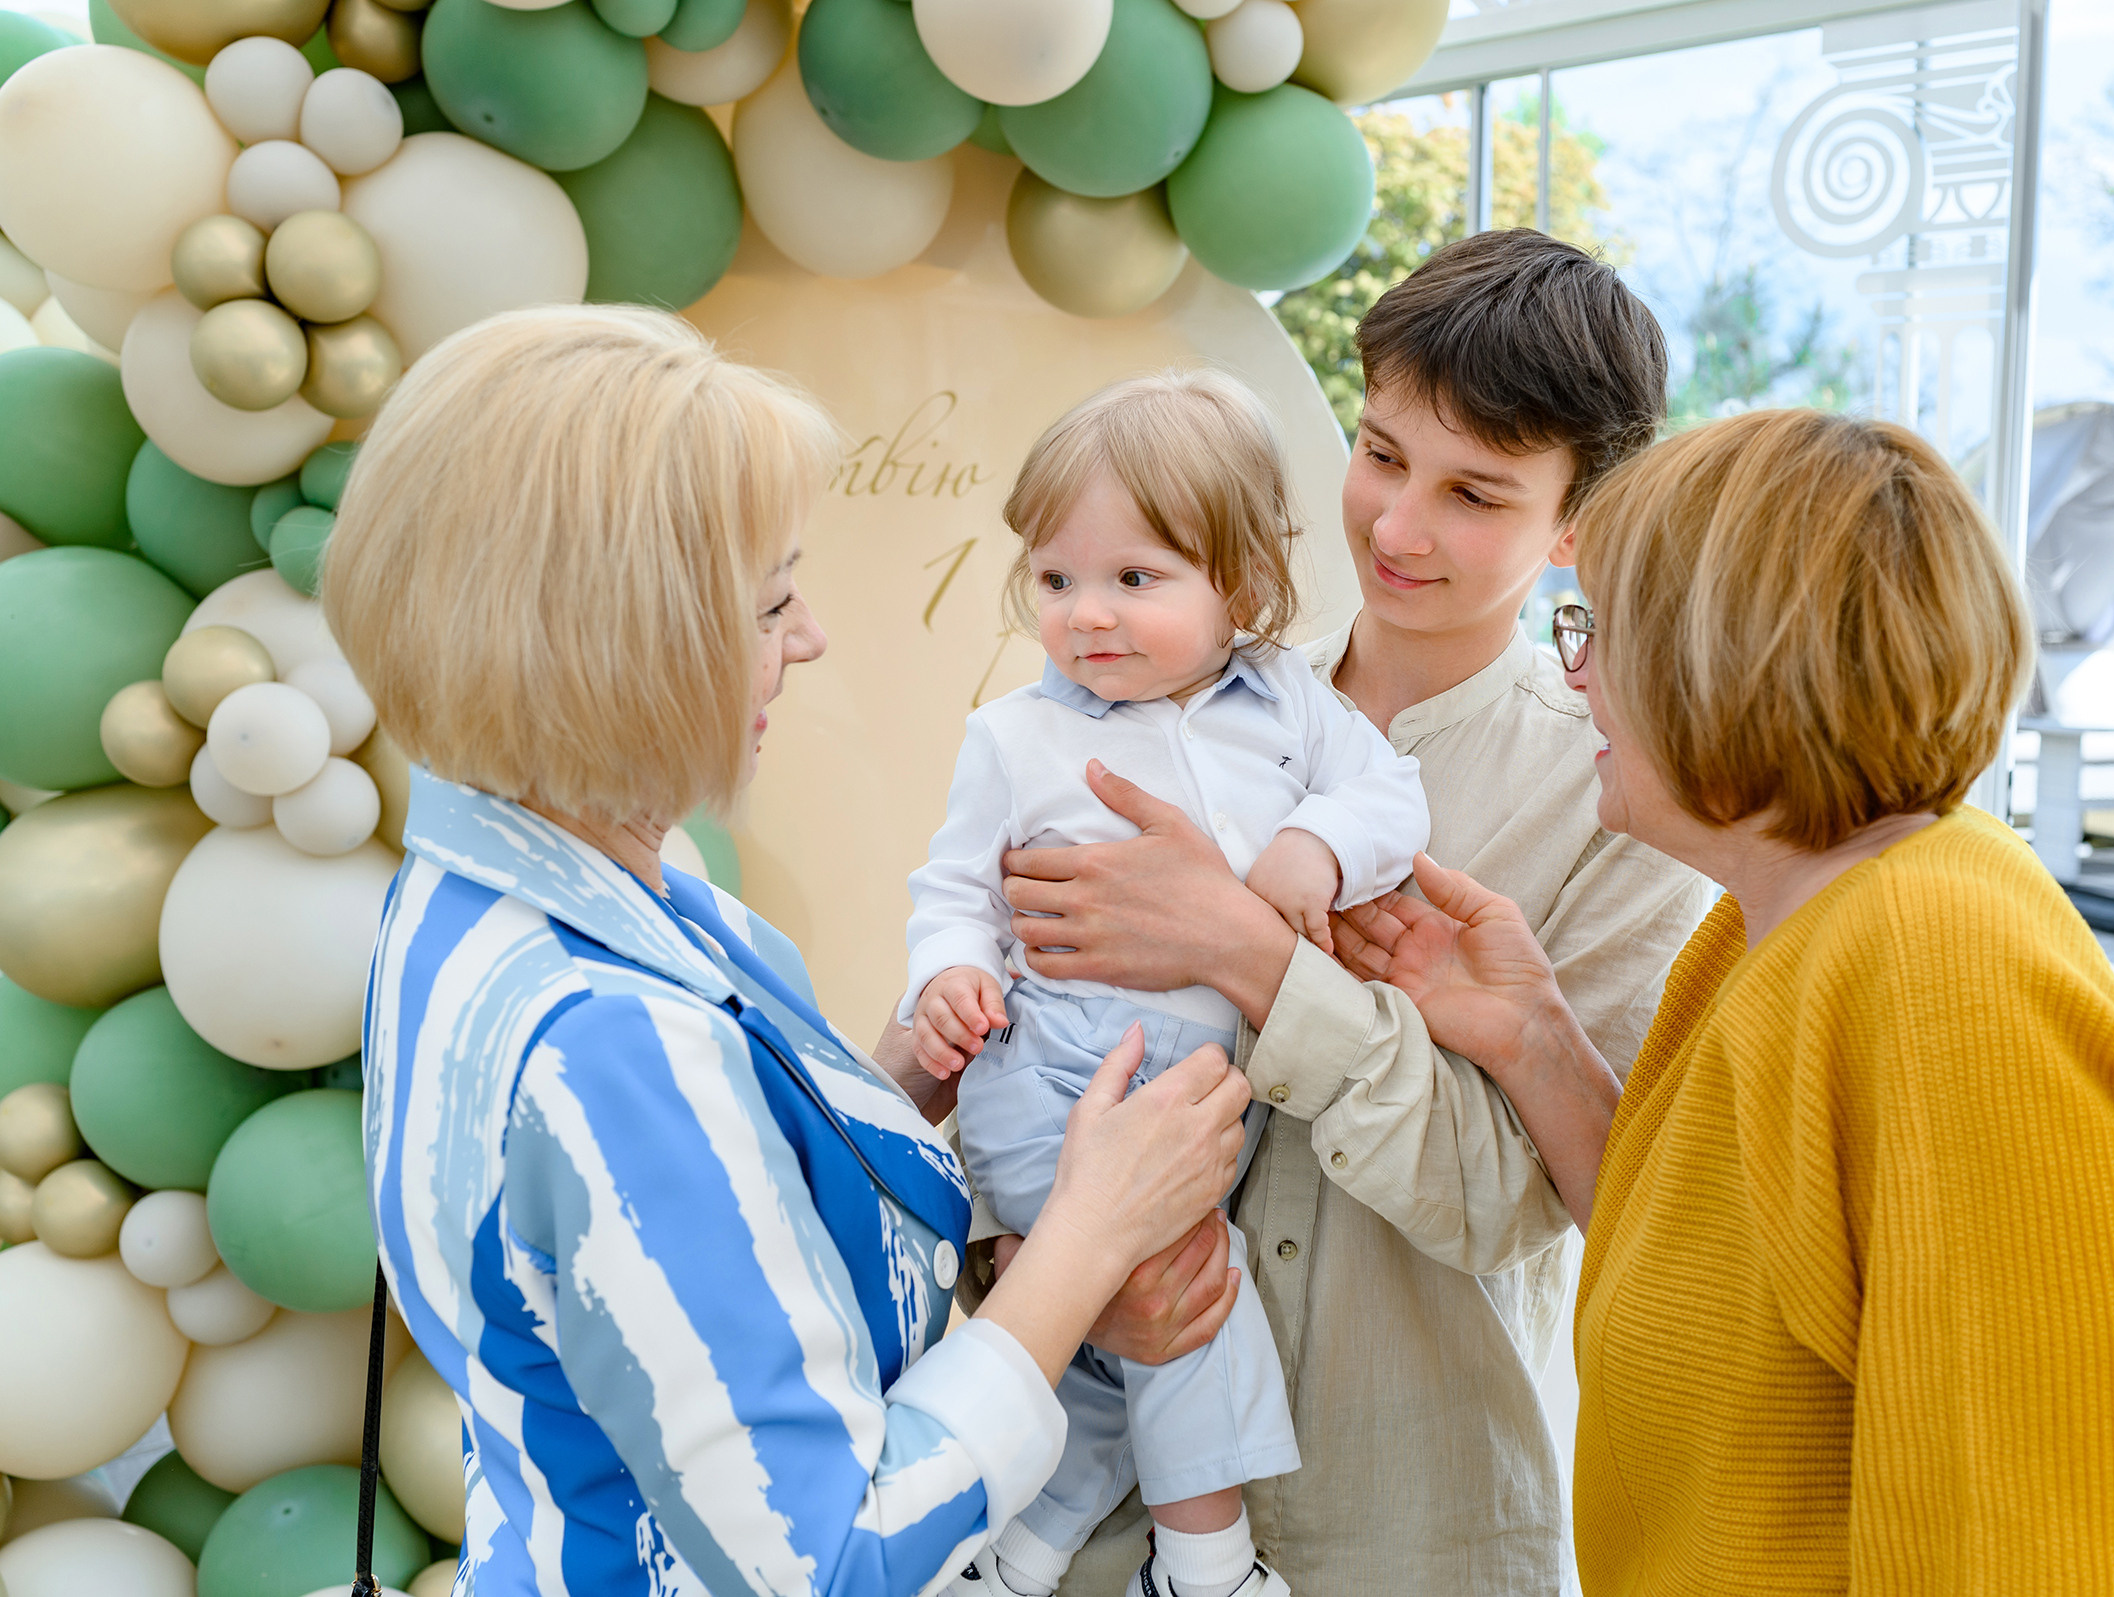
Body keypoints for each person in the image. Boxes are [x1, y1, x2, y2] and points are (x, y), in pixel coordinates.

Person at [321, 304, 1255, 1597]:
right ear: (628, 645)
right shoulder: (609, 1040)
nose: (807, 638)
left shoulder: (485, 882)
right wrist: (1092, 1238)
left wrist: (904, 1077)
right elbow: (829, 1561)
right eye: (771, 603)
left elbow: (678, 1254)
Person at [891, 229, 1714, 1594]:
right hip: (1102, 1527)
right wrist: (1036, 1258)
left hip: (1405, 1536)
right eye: (1382, 454)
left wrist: (1248, 954)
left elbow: (1516, 1205)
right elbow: (993, 1040)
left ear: (1579, 521)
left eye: (1474, 493)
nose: (1396, 528)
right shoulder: (1136, 688)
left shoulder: (1620, 798)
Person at [1334, 407, 2114, 1590]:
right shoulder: (1782, 923)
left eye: (1598, 631)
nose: (1576, 672)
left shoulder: (1943, 978)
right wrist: (1534, 1036)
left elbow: (2045, 1549)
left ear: (1725, 662)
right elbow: (1729, 1283)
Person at [905, 370, 1431, 1597]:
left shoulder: (1292, 704)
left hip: (1196, 1095)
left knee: (1117, 1347)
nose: (1086, 613)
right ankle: (1209, 1569)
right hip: (1054, 1083)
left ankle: (1012, 1558)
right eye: (1055, 579)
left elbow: (1391, 795)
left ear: (1238, 583)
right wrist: (950, 972)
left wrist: (1318, 846)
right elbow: (954, 890)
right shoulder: (1015, 735)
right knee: (1197, 1294)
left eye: (1135, 578)